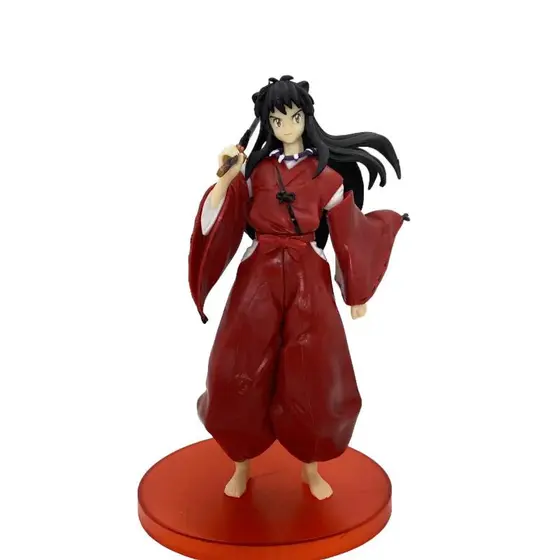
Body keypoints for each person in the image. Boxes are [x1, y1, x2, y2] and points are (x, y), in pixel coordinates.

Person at [188, 75, 407, 500]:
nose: (286, 126)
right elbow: (221, 215)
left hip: (309, 274)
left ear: (306, 117)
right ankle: (241, 463)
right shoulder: (257, 172)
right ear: (267, 124)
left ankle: (310, 467)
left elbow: (347, 231)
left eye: (293, 116)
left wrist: (355, 292)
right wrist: (226, 177)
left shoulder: (325, 177)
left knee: (315, 372)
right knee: (237, 368)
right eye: (276, 119)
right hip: (258, 277)